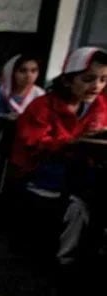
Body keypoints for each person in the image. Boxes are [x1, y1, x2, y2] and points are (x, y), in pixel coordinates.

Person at [10, 47, 107, 267]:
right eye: (89, 79)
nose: (97, 86)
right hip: (39, 170)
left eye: (103, 79)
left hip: (77, 168)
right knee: (83, 200)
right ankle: (66, 258)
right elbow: (33, 144)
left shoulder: (98, 104)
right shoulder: (42, 106)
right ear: (67, 80)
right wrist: (73, 142)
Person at [0, 54, 44, 128]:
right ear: (11, 72)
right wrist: (2, 118)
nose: (29, 75)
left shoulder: (39, 95)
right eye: (22, 71)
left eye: (34, 71)